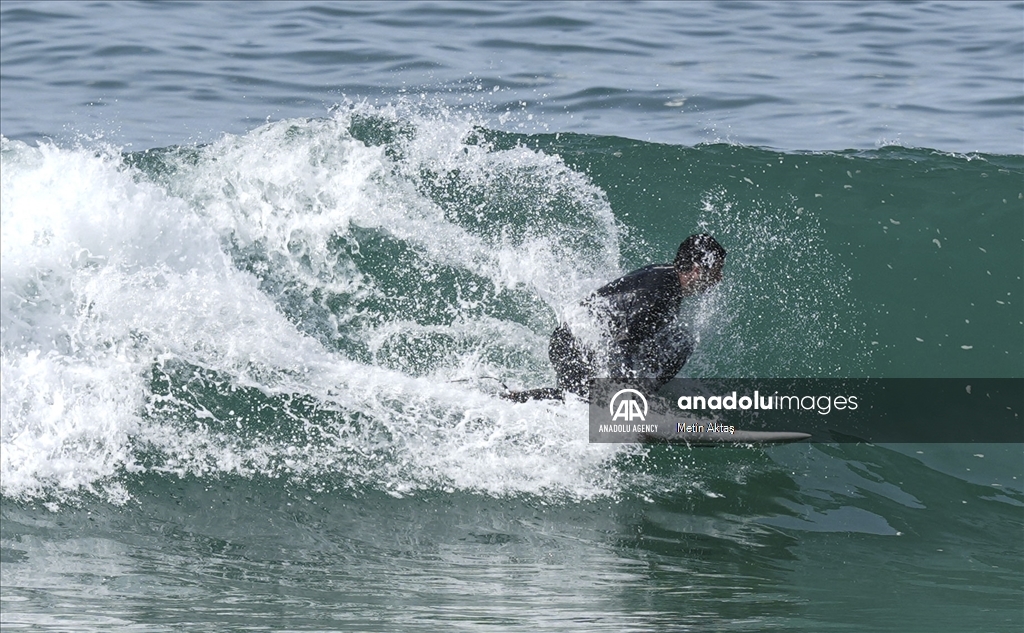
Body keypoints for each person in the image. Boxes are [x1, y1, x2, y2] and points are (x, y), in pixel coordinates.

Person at [504, 234, 726, 402]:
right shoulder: (659, 295)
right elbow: (622, 344)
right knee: (579, 404)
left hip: (584, 344)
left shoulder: (668, 280)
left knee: (681, 341)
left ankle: (642, 400)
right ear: (697, 270)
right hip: (572, 347)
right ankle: (513, 399)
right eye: (716, 271)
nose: (719, 278)